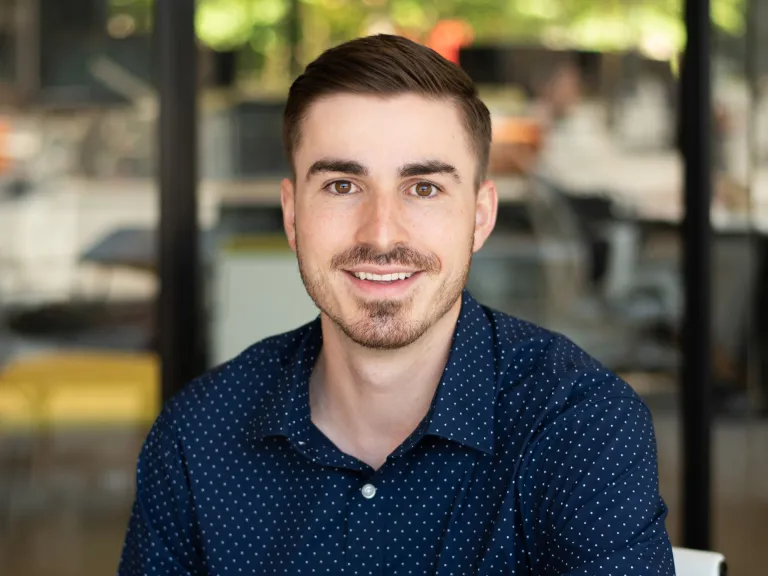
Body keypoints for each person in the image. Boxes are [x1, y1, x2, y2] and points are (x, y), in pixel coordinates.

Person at [118, 34, 674, 575]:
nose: (382, 234)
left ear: (480, 216)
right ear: (292, 216)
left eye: (424, 188)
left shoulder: (581, 425)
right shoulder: (198, 437)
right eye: (341, 185)